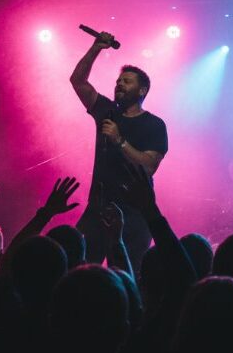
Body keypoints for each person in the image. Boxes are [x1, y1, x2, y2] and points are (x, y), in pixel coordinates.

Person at [69, 31, 168, 271]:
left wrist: (119, 140)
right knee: (79, 271)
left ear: (142, 90)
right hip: (98, 209)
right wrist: (96, 48)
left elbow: (149, 166)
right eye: (118, 81)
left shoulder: (154, 124)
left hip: (134, 214)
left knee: (126, 275)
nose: (119, 84)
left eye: (127, 81)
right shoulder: (107, 110)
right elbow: (78, 81)